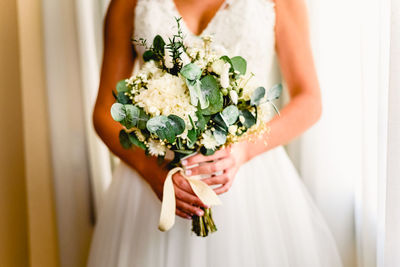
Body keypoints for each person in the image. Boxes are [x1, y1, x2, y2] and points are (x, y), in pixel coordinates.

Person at [88, 0, 343, 266]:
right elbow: (104, 111)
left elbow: (309, 100)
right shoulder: (128, 3)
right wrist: (153, 170)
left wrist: (244, 150)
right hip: (154, 179)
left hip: (248, 180)